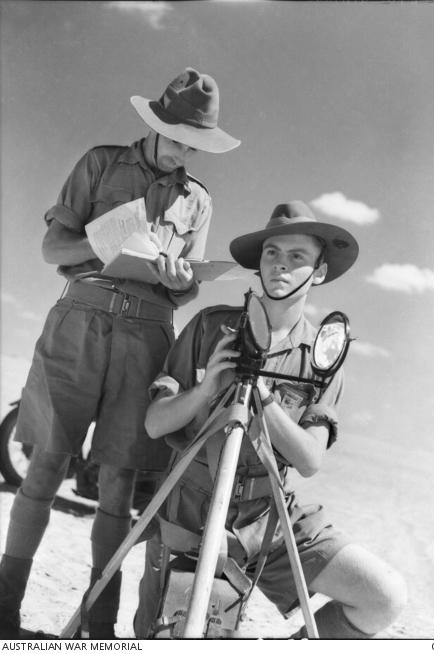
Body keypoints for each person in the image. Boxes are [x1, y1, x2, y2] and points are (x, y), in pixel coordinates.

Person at [0, 67, 240, 639]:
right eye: (179, 138)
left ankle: (99, 624)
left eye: (197, 145)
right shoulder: (101, 163)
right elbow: (52, 248)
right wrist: (101, 240)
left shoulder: (198, 200)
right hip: (80, 321)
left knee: (118, 481)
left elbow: (187, 287)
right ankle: (5, 609)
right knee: (45, 468)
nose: (185, 153)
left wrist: (183, 277)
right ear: (156, 126)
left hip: (149, 334)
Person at [133, 201, 408, 639]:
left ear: (318, 272)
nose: (280, 265)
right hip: (192, 513)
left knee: (383, 595)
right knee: (175, 638)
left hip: (269, 516)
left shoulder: (321, 357)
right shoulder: (210, 328)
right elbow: (154, 423)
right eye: (271, 253)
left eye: (296, 256)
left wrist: (264, 397)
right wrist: (207, 390)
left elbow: (309, 460)